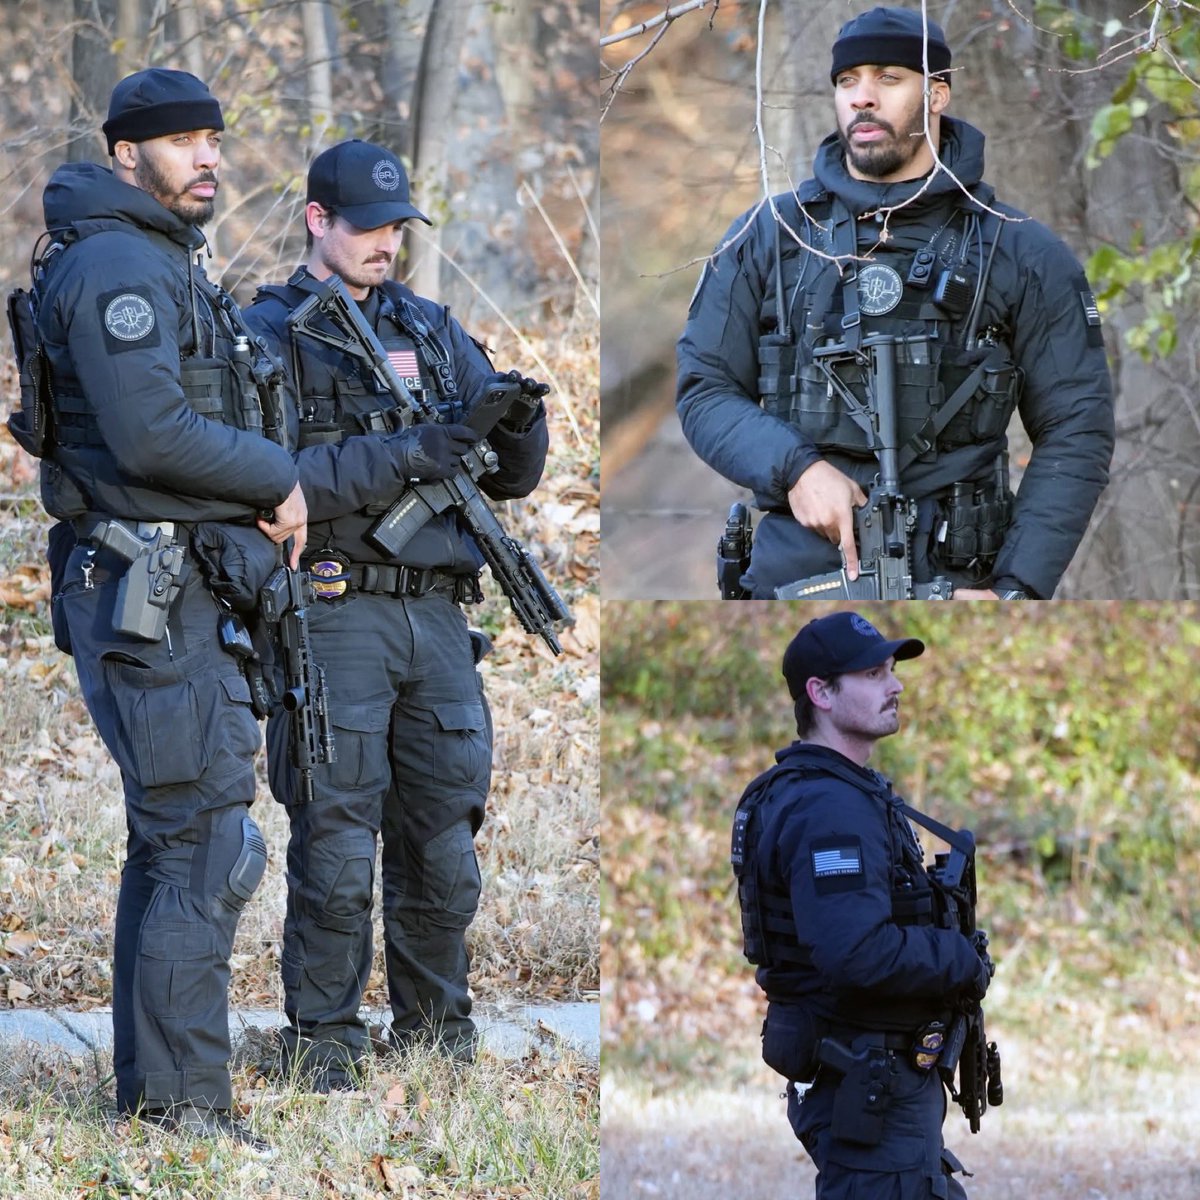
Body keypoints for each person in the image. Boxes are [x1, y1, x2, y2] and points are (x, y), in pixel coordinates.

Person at [31, 69, 307, 1151]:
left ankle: (155, 1095)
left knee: (174, 842)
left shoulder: (153, 255)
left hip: (168, 585)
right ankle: (190, 1108)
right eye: (182, 142)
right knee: (204, 844)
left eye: (213, 139)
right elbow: (149, 438)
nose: (208, 158)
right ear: (125, 156)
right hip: (146, 592)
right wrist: (277, 475)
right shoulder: (114, 266)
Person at [243, 138, 550, 1090]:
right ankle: (325, 1044)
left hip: (440, 620)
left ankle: (434, 1037)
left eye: (397, 228)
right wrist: (424, 448)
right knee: (337, 845)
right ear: (317, 222)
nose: (386, 244)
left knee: (445, 843)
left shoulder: (431, 323)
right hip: (336, 610)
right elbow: (271, 477)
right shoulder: (269, 332)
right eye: (367, 228)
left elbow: (513, 475)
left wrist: (518, 420)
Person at [677, 6, 1115, 599]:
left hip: (963, 572)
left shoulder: (1021, 250)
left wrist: (1016, 591)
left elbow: (1076, 426)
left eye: (887, 78)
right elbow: (705, 389)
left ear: (937, 94)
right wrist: (797, 468)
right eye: (847, 80)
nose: (862, 97)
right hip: (797, 571)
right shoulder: (771, 234)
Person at [730, 611, 993, 1197]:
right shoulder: (829, 810)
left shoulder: (832, 793)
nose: (895, 685)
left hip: (874, 1077)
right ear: (820, 693)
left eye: (892, 670)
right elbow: (856, 953)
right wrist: (960, 958)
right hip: (867, 1078)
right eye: (873, 674)